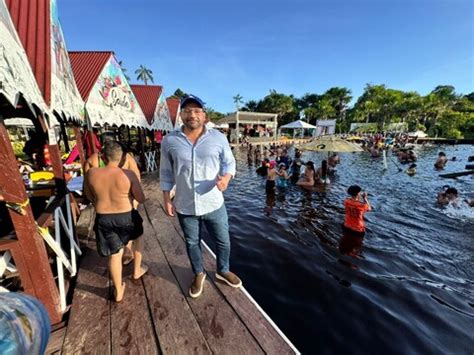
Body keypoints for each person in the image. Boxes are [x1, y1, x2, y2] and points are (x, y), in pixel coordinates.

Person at [160, 94, 241, 299]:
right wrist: (166, 198)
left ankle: (223, 270)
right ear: (181, 115)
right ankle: (199, 273)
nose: (192, 115)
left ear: (204, 115)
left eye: (197, 111)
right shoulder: (170, 141)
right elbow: (166, 172)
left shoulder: (218, 138)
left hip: (214, 202)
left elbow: (229, 163)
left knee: (223, 241)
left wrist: (227, 179)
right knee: (191, 243)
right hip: (185, 204)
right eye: (187, 111)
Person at [84, 141, 147, 303]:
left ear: (104, 157)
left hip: (104, 218)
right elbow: (141, 198)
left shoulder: (92, 173)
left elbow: (88, 196)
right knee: (138, 238)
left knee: (114, 255)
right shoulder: (128, 174)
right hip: (127, 216)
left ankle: (118, 291)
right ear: (121, 158)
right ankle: (136, 270)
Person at [84, 139, 141, 265]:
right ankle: (127, 251)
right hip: (126, 205)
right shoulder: (128, 159)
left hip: (103, 211)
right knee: (132, 233)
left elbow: (88, 190)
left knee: (113, 250)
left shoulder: (92, 161)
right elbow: (138, 184)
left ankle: (118, 253)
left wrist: (97, 201)